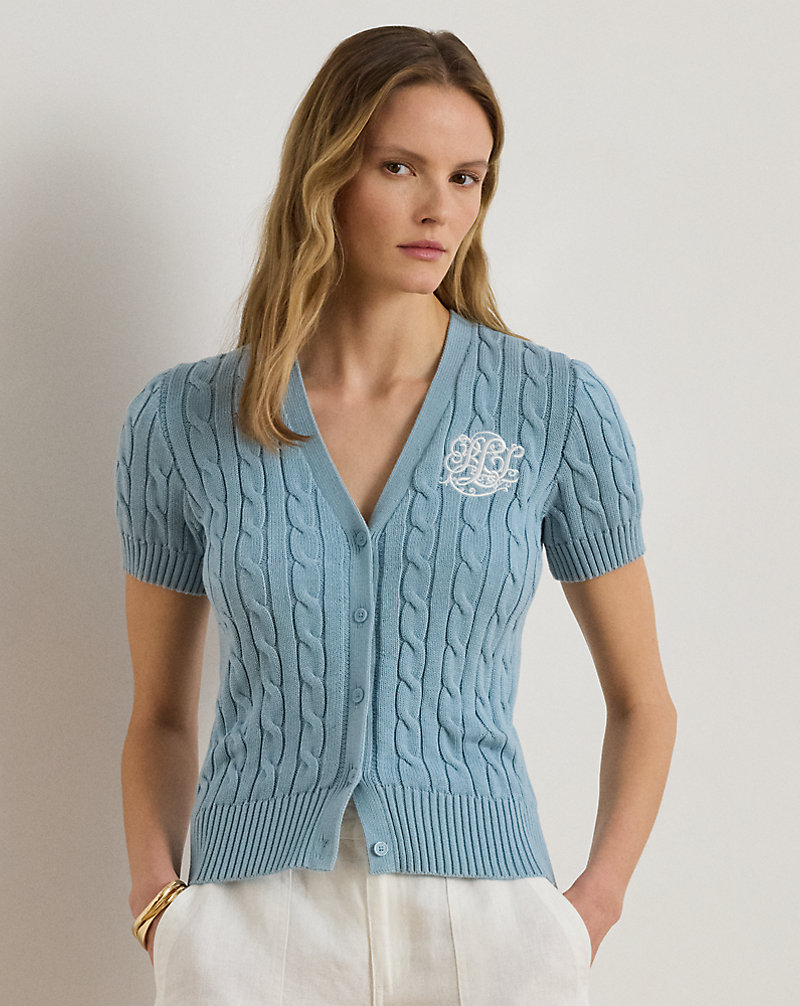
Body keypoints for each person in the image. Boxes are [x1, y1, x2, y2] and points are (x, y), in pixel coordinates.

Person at [115, 24, 677, 1006]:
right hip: (251, 922)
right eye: (399, 166)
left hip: (489, 925)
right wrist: (161, 906)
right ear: (325, 174)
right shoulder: (184, 418)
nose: (437, 208)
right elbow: (159, 713)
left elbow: (643, 702)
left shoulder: (550, 407)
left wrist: (586, 912)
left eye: (466, 177)